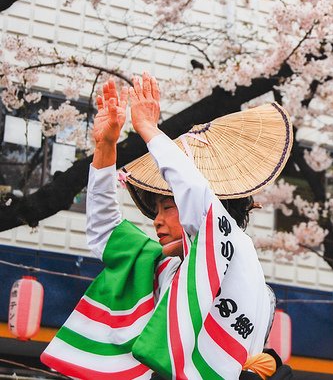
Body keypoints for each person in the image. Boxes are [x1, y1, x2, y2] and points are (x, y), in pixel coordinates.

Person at [41, 73, 293, 379]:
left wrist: (148, 129)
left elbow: (200, 201)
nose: (157, 220)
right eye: (156, 210)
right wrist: (106, 148)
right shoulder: (163, 268)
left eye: (169, 207)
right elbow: (106, 233)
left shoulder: (234, 246)